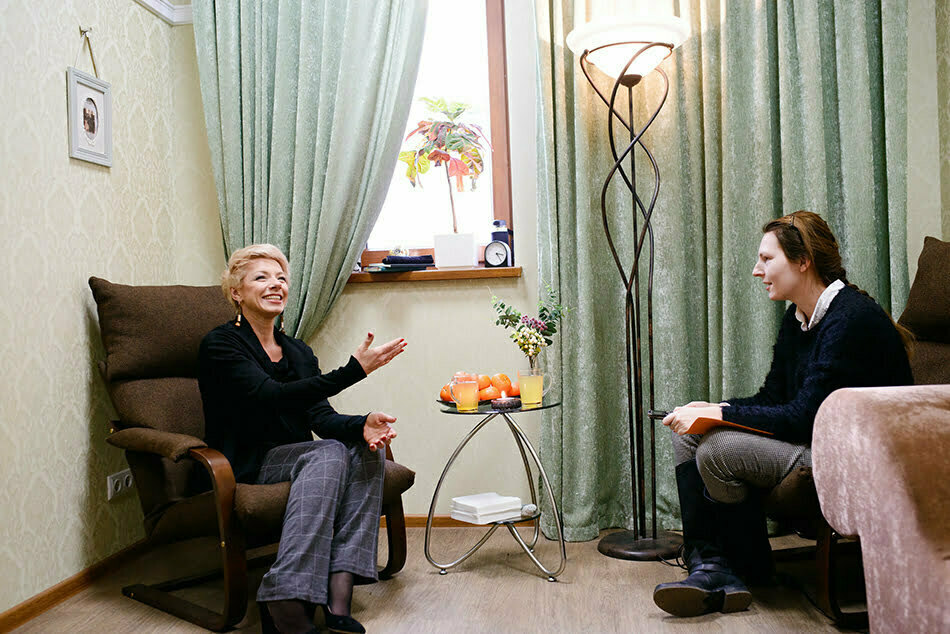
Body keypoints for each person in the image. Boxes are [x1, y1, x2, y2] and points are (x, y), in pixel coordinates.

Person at [652, 211, 913, 618]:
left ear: (803, 260)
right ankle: (709, 564)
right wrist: (711, 409)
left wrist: (720, 414)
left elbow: (801, 417)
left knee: (718, 450)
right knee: (685, 431)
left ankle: (748, 567)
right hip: (812, 438)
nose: (757, 271)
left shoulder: (851, 319)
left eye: (766, 259)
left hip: (851, 457)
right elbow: (772, 397)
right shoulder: (798, 319)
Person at [198, 244, 407, 634]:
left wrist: (361, 424)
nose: (275, 284)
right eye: (261, 277)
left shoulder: (298, 351)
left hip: (299, 457)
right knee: (328, 453)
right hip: (247, 464)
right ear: (236, 292)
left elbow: (319, 417)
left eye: (281, 278)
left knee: (365, 450)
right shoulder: (221, 345)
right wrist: (353, 371)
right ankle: (284, 597)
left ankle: (339, 592)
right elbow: (270, 396)